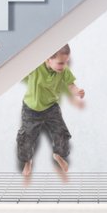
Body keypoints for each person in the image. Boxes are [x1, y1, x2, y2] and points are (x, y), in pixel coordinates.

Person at [17, 44, 85, 176]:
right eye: (60, 63)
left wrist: (77, 91)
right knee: (26, 138)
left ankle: (58, 155)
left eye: (66, 62)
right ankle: (27, 161)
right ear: (48, 59)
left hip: (51, 108)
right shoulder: (36, 68)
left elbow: (71, 85)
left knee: (62, 134)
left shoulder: (63, 70)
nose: (64, 66)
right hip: (31, 109)